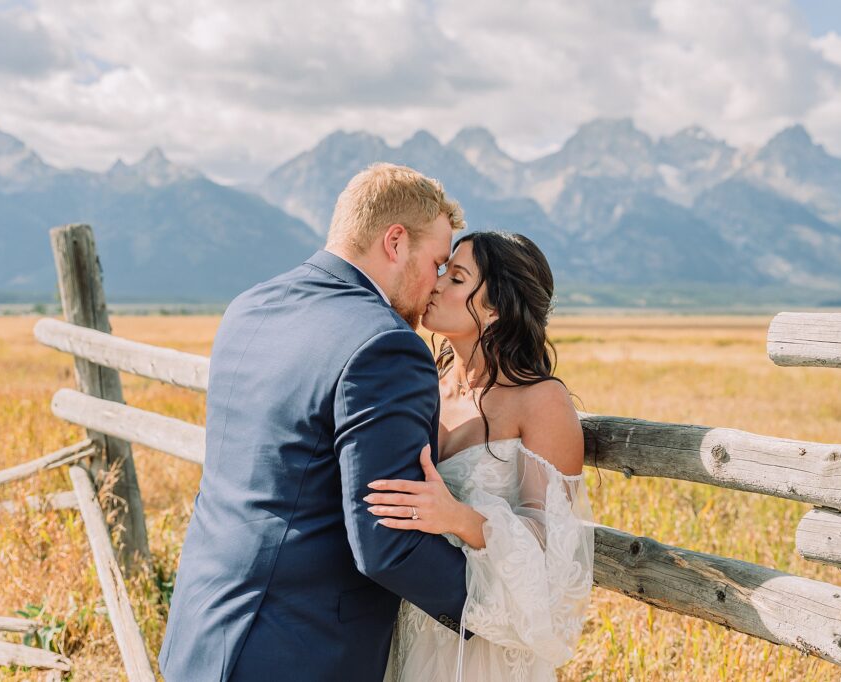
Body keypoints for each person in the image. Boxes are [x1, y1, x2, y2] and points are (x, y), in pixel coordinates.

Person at [158, 163, 475, 681]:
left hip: (201, 632)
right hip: (298, 653)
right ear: (395, 242)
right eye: (438, 261)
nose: (436, 284)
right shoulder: (385, 345)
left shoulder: (250, 306)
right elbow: (387, 543)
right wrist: (498, 607)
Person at [367, 231, 595, 681]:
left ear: (494, 308)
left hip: (488, 648)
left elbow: (554, 544)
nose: (434, 284)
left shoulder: (540, 401)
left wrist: (458, 518)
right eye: (442, 271)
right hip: (411, 621)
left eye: (456, 278)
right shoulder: (425, 386)